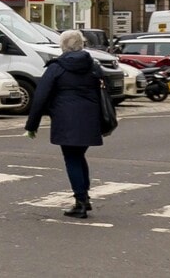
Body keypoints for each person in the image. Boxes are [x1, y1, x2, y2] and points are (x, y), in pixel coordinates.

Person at [25, 28, 108, 218]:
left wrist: (32, 125)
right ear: (81, 44)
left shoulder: (57, 67)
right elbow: (104, 90)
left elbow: (40, 96)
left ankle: (80, 201)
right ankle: (84, 198)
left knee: (72, 158)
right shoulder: (93, 65)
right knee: (79, 156)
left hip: (65, 119)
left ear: (62, 46)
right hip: (89, 118)